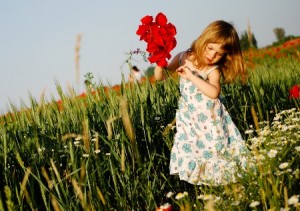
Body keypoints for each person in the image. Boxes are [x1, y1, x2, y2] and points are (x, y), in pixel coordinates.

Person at [154, 20, 249, 186]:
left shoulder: (213, 70)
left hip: (211, 121)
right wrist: (160, 64)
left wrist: (191, 76)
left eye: (219, 53)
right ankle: (201, 188)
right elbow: (161, 77)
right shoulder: (183, 57)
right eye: (210, 48)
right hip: (189, 118)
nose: (212, 55)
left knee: (216, 154)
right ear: (203, 40)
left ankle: (225, 188)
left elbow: (214, 92)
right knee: (190, 152)